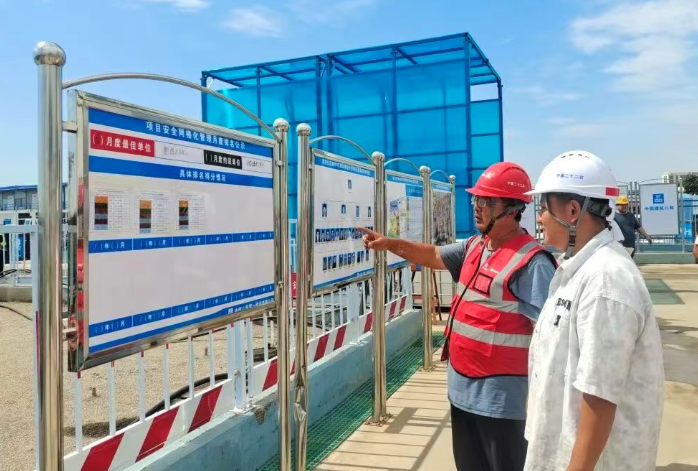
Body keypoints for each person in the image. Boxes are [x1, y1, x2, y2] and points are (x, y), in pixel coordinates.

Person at [360, 162, 556, 471]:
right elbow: (433, 255)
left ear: (511, 210)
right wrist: (388, 244)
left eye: (486, 201)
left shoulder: (532, 263)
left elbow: (552, 340)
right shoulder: (475, 246)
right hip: (462, 393)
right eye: (476, 199)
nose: (477, 207)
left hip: (504, 404)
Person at [524, 151, 664, 471]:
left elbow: (600, 394)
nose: (540, 218)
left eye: (544, 208)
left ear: (573, 211)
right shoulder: (580, 268)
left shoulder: (605, 281)